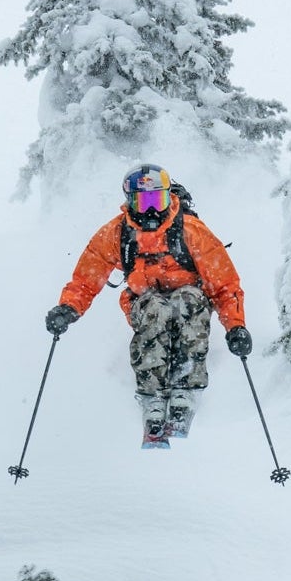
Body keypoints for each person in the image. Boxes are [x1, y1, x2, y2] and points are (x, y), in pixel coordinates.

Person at [45, 164, 252, 442]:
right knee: (155, 309)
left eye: (158, 201)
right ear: (129, 202)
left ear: (168, 198)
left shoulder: (191, 230)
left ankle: (186, 385)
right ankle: (152, 394)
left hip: (190, 297)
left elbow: (224, 283)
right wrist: (68, 308)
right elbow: (87, 276)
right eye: (143, 203)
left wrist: (235, 327)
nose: (151, 211)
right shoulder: (117, 233)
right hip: (144, 300)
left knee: (186, 300)